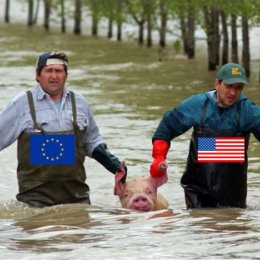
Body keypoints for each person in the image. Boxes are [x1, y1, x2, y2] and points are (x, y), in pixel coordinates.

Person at [0, 51, 127, 207]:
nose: (54, 76)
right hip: (35, 201)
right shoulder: (22, 103)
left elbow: (92, 142)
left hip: (77, 197)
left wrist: (114, 165)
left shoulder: (80, 103)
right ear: (38, 75)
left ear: (66, 75)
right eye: (48, 70)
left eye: (59, 71)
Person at [149, 63, 260, 209]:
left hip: (232, 191)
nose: (233, 93)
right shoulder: (197, 104)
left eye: (238, 87)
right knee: (201, 225)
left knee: (232, 228)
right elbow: (167, 128)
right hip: (197, 188)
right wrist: (159, 156)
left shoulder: (249, 111)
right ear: (217, 84)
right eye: (229, 86)